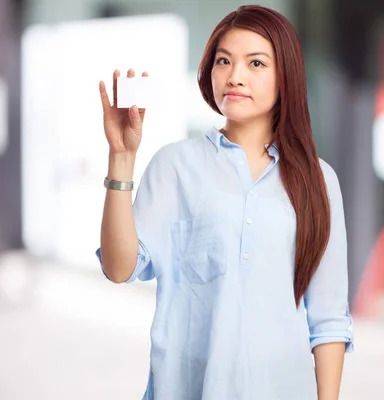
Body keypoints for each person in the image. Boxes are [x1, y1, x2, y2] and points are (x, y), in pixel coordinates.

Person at [96, 5, 354, 400]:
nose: (235, 76)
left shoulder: (319, 182)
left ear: (286, 76)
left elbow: (330, 321)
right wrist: (121, 157)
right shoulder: (175, 166)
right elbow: (118, 269)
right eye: (224, 61)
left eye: (256, 63)